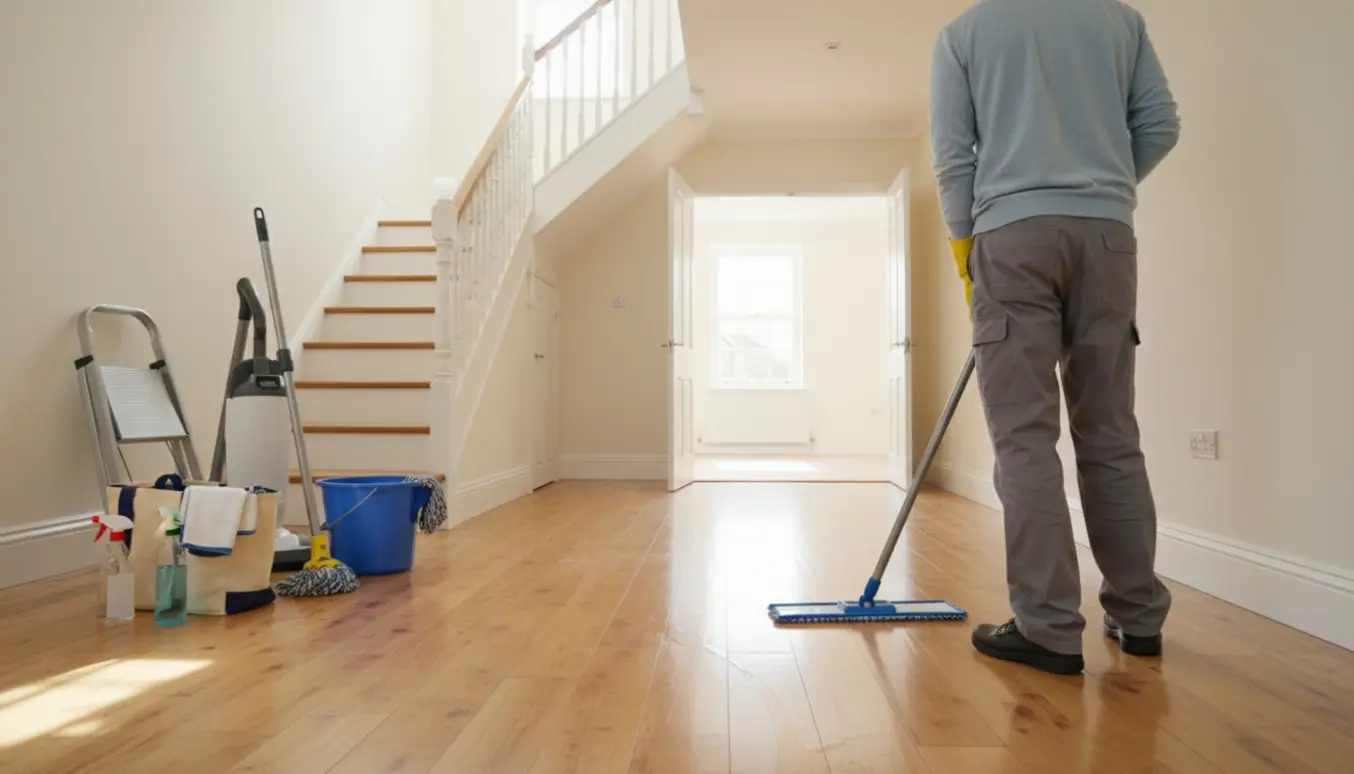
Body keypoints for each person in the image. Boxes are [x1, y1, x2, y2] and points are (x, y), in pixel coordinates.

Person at [929, 0, 1181, 676]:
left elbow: (954, 161)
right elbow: (1160, 126)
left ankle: (1048, 628)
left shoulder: (964, 35)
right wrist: (1101, 186)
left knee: (1024, 438)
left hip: (1010, 239)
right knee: (1110, 430)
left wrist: (965, 253)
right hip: (1107, 238)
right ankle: (1138, 617)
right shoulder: (1119, 21)